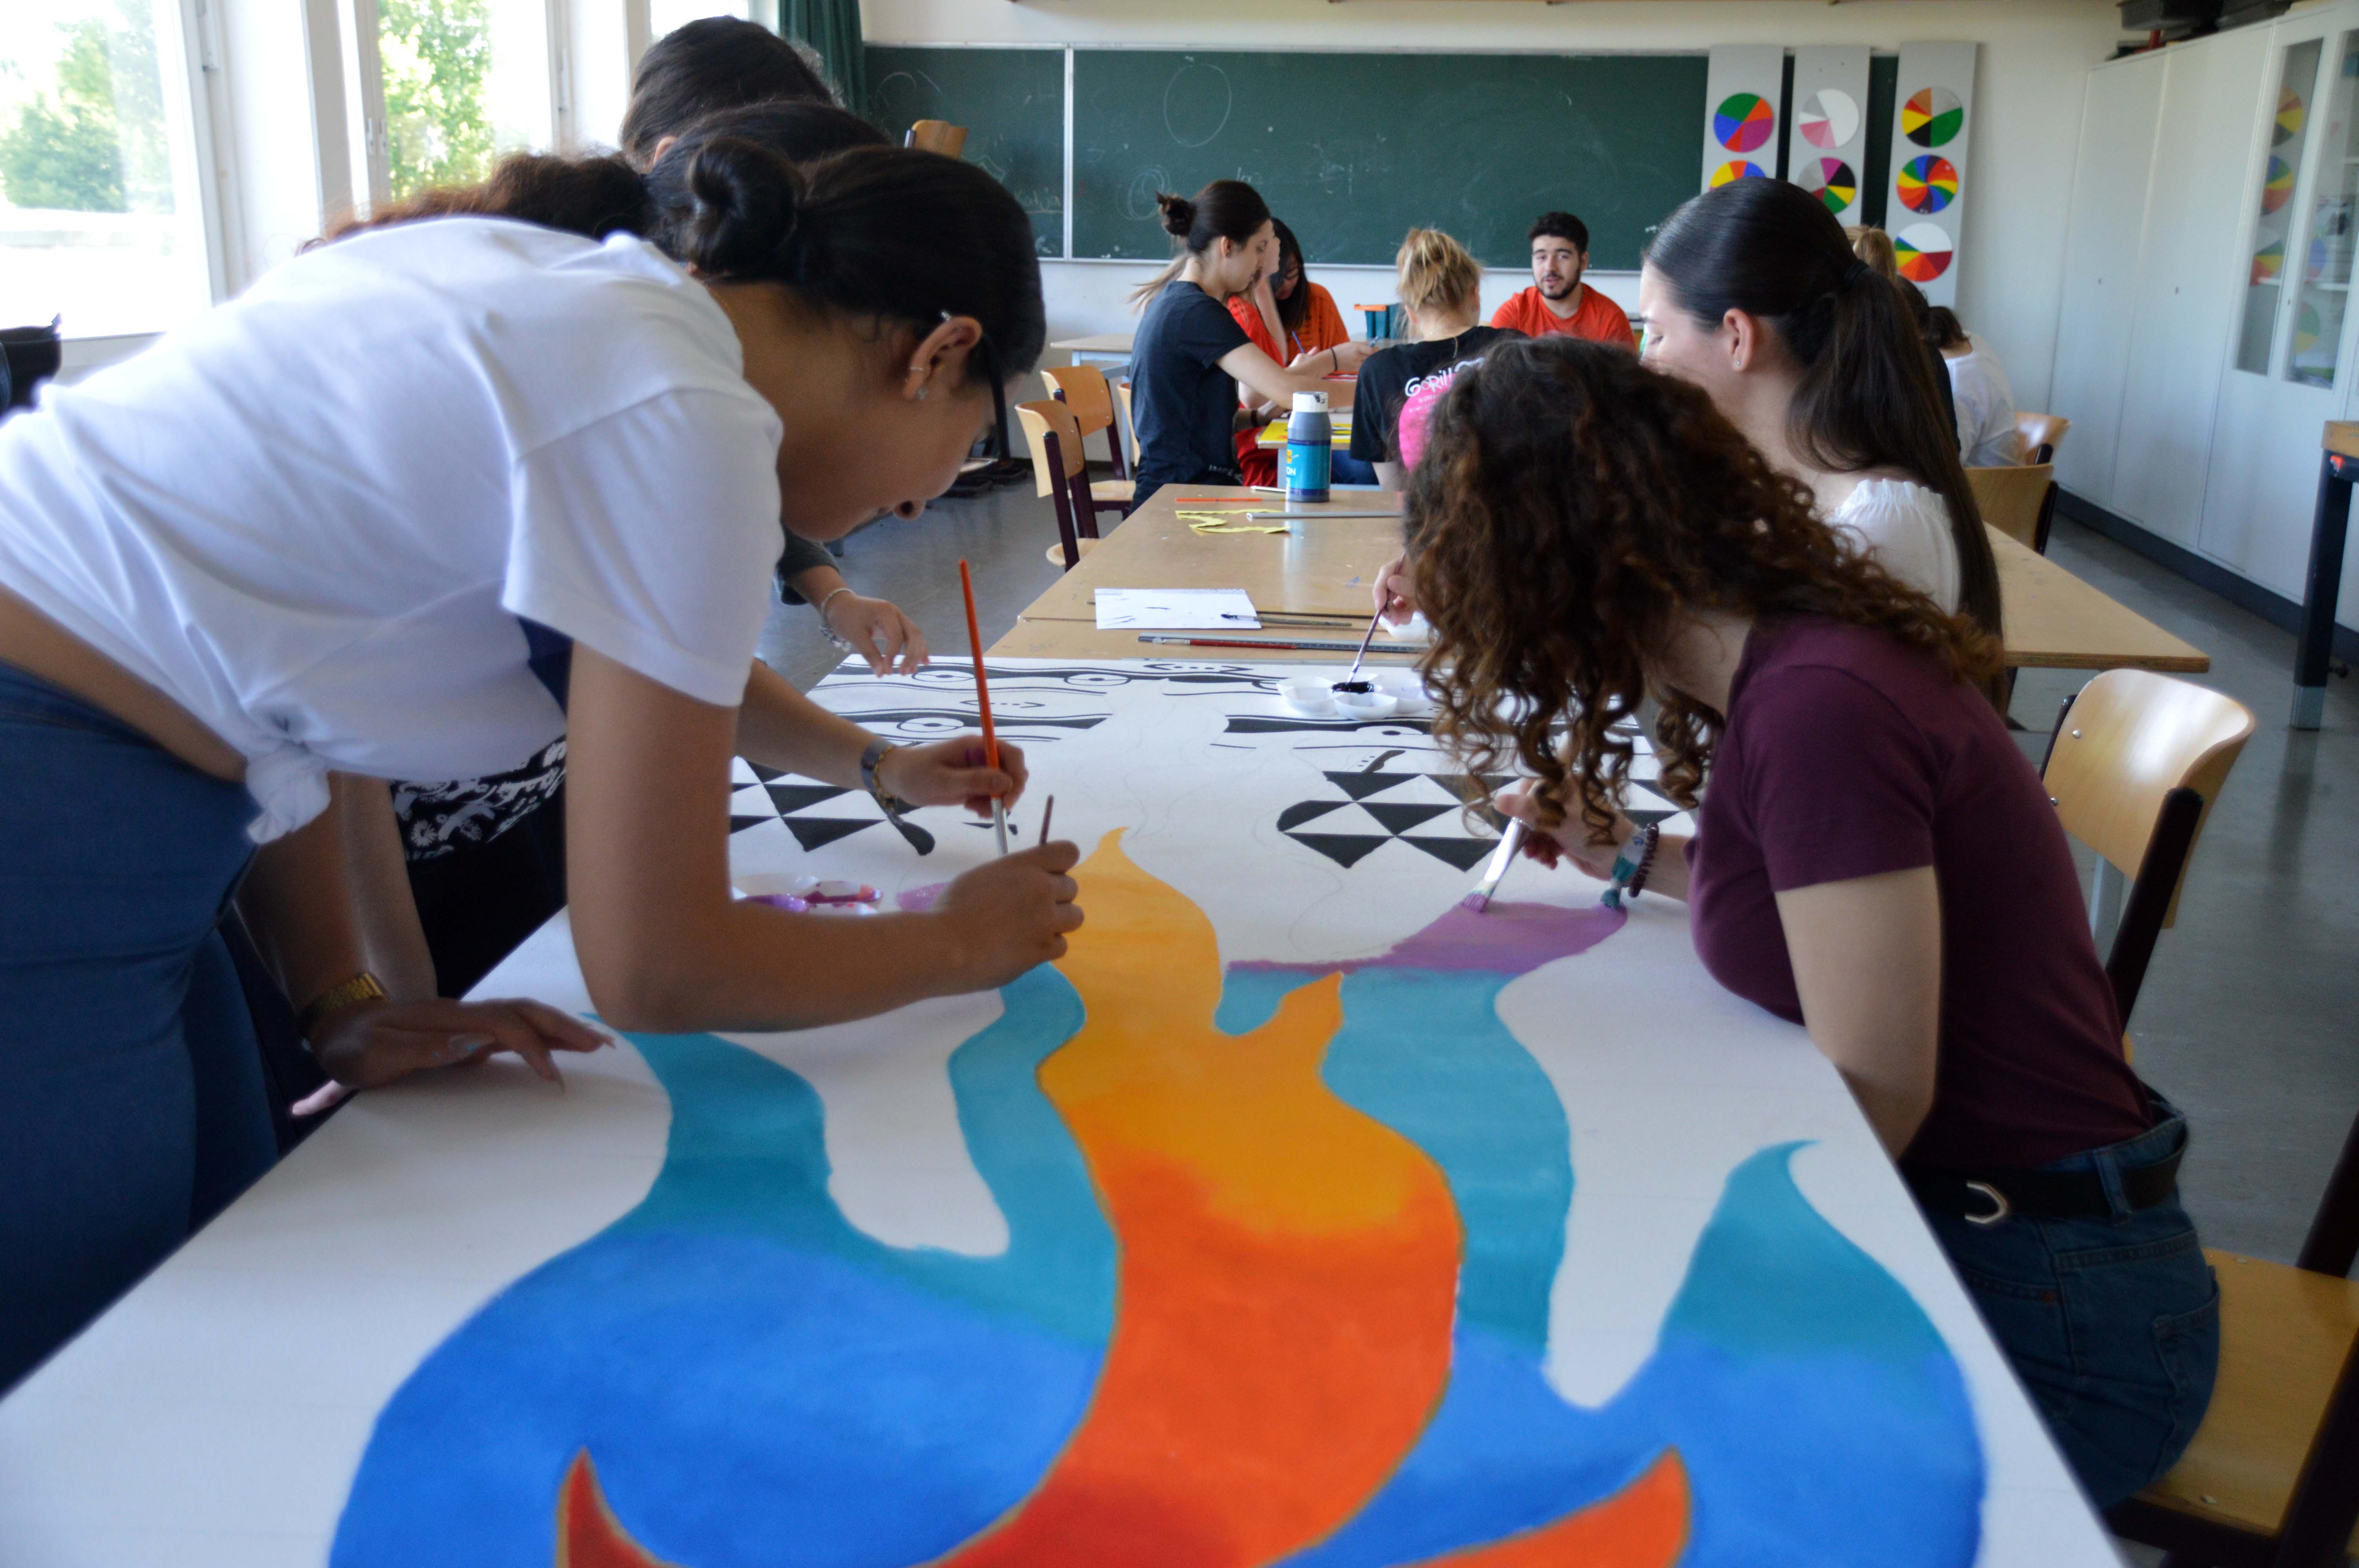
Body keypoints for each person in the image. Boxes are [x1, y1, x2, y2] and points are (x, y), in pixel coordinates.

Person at [0, 137, 1084, 1388]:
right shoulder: (682, 414)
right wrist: (954, 943)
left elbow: (274, 671)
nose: (922, 502)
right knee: (87, 1372)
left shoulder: (589, 311)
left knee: (206, 1299)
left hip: (154, 842)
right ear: (937, 353)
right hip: (51, 828)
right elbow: (658, 962)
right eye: (972, 432)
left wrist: (340, 999)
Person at [1405, 335, 2217, 1510]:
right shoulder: (1787, 661)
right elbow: (1812, 906)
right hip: (1995, 1235)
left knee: (1552, 1435)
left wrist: (1649, 1239)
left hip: (2053, 1314)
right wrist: (1627, 850)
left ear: (1551, 572)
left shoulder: (1817, 704)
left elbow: (1878, 1088)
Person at [354, 101, 932, 1000]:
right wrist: (381, 995)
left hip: (514, 836)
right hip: (385, 888)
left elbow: (683, 670)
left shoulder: (651, 400)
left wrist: (879, 765)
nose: (910, 503)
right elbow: (321, 750)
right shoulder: (593, 403)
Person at [1636, 178, 2000, 638]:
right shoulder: (1774, 488)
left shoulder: (1877, 531)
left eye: (1657, 335)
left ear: (1737, 338)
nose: (1646, 363)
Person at [1126, 180, 1374, 503]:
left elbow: (1191, 420)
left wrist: (1258, 417)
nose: (1261, 263)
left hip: (1184, 492)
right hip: (1182, 500)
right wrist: (1375, 392)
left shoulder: (1180, 303)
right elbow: (1288, 389)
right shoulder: (1197, 313)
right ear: (1228, 247)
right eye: (1259, 248)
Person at [1349, 228, 1522, 490]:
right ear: (1475, 297)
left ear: (1410, 312)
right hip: (1508, 512)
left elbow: (1394, 491)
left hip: (1427, 515)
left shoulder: (1379, 372)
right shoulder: (1514, 349)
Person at [1225, 218, 1369, 485]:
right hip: (1263, 450)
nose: (1287, 284)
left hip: (1305, 428)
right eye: (1278, 276)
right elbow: (1259, 394)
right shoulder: (1243, 313)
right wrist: (1326, 363)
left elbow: (1341, 375)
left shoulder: (1313, 300)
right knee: (1363, 471)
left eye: (1293, 272)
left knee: (1367, 465)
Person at [1489, 211, 1637, 348]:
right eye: (1541, 257)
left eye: (1562, 257)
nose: (1550, 268)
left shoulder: (1610, 319)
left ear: (1583, 262)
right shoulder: (1514, 314)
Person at [1928, 304, 2027, 466]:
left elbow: (1948, 466)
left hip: (1983, 482)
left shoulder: (1956, 382)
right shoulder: (1970, 340)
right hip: (2006, 477)